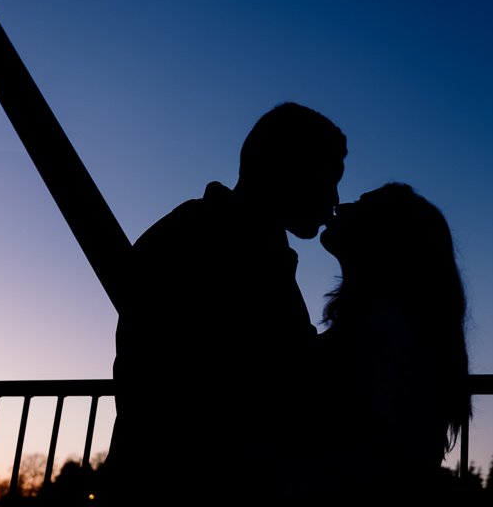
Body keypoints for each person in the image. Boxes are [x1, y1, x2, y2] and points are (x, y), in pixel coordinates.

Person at [106, 102, 347, 505]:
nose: (335, 198)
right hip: (196, 493)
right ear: (288, 167)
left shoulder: (207, 232)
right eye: (329, 177)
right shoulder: (222, 246)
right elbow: (276, 379)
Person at [303, 182, 471, 502]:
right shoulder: (385, 323)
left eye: (361, 207)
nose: (341, 207)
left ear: (387, 239)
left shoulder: (387, 328)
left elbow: (380, 449)